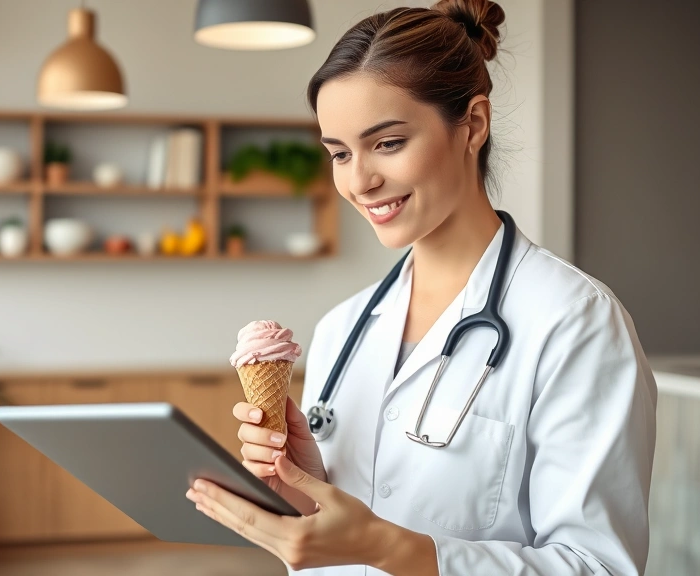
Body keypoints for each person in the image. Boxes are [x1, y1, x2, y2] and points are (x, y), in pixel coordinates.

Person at [185, 1, 658, 574]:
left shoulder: (574, 321)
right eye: (339, 153)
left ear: (473, 126)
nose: (360, 181)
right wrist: (303, 493)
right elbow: (344, 536)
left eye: (387, 143)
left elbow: (599, 566)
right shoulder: (342, 328)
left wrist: (389, 548)